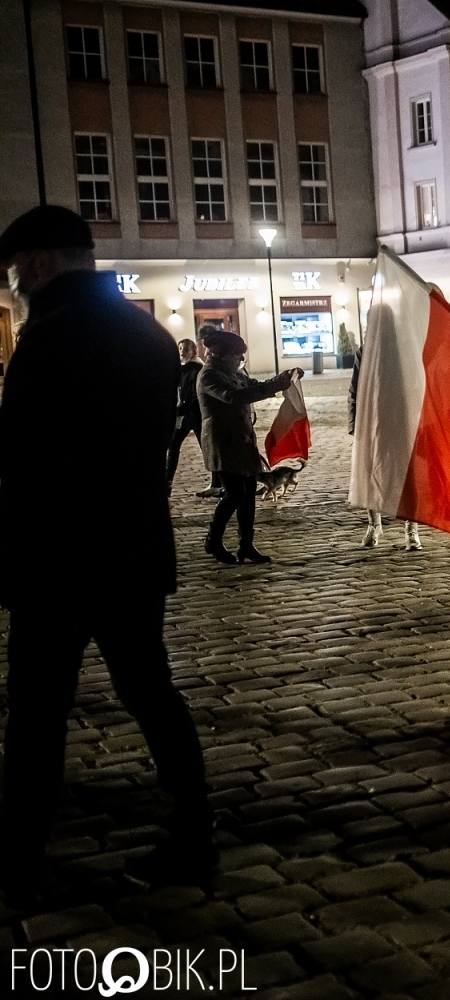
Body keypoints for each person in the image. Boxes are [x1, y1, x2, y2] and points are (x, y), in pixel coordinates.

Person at [0, 205, 214, 895]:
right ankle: (194, 828)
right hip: (131, 546)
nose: (14, 283)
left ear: (41, 262)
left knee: (36, 709)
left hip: (57, 556)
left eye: (16, 269)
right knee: (150, 691)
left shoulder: (51, 337)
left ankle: (22, 850)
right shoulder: (144, 330)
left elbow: (24, 458)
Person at [199, 330, 301, 564]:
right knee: (234, 495)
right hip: (223, 443)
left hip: (243, 442)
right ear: (220, 354)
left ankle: (246, 545)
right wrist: (273, 386)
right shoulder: (209, 375)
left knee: (248, 497)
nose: (239, 361)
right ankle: (213, 540)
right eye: (236, 356)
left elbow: (254, 385)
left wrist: (283, 379)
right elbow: (234, 396)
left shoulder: (234, 372)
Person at [348, 344, 422, 549]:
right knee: (370, 473)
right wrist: (355, 424)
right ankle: (374, 525)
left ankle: (411, 530)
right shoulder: (365, 351)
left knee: (408, 475)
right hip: (372, 420)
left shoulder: (405, 345)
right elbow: (355, 388)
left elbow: (417, 381)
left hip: (402, 420)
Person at [166, 338, 204, 489]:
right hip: (182, 414)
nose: (182, 352)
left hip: (195, 414)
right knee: (173, 446)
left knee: (206, 447)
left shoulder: (197, 368)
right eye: (180, 349)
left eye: (186, 349)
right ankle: (167, 480)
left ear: (193, 351)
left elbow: (193, 394)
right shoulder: (179, 369)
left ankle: (217, 481)